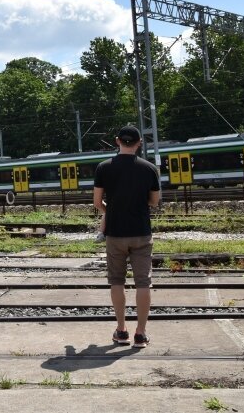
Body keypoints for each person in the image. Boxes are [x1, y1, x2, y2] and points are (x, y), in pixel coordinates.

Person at [93, 126, 160, 349]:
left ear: (117, 141)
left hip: (115, 234)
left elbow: (97, 202)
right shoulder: (149, 169)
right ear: (139, 143)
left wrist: (109, 211)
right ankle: (140, 334)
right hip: (141, 232)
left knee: (116, 281)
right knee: (143, 283)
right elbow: (154, 201)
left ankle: (121, 331)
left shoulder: (103, 168)